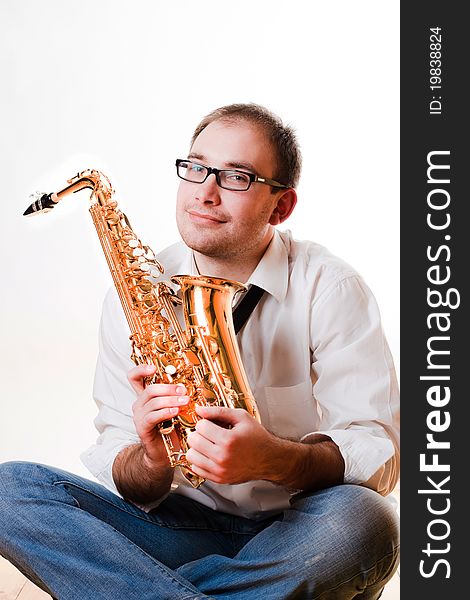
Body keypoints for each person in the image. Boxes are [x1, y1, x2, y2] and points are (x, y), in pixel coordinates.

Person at [0, 103, 400, 599]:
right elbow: (121, 465)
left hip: (301, 529)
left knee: (365, 523)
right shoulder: (133, 296)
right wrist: (150, 459)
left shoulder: (330, 287)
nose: (205, 193)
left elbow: (379, 453)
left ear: (281, 206)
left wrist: (275, 460)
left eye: (236, 177)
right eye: (195, 167)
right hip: (178, 530)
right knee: (8, 490)